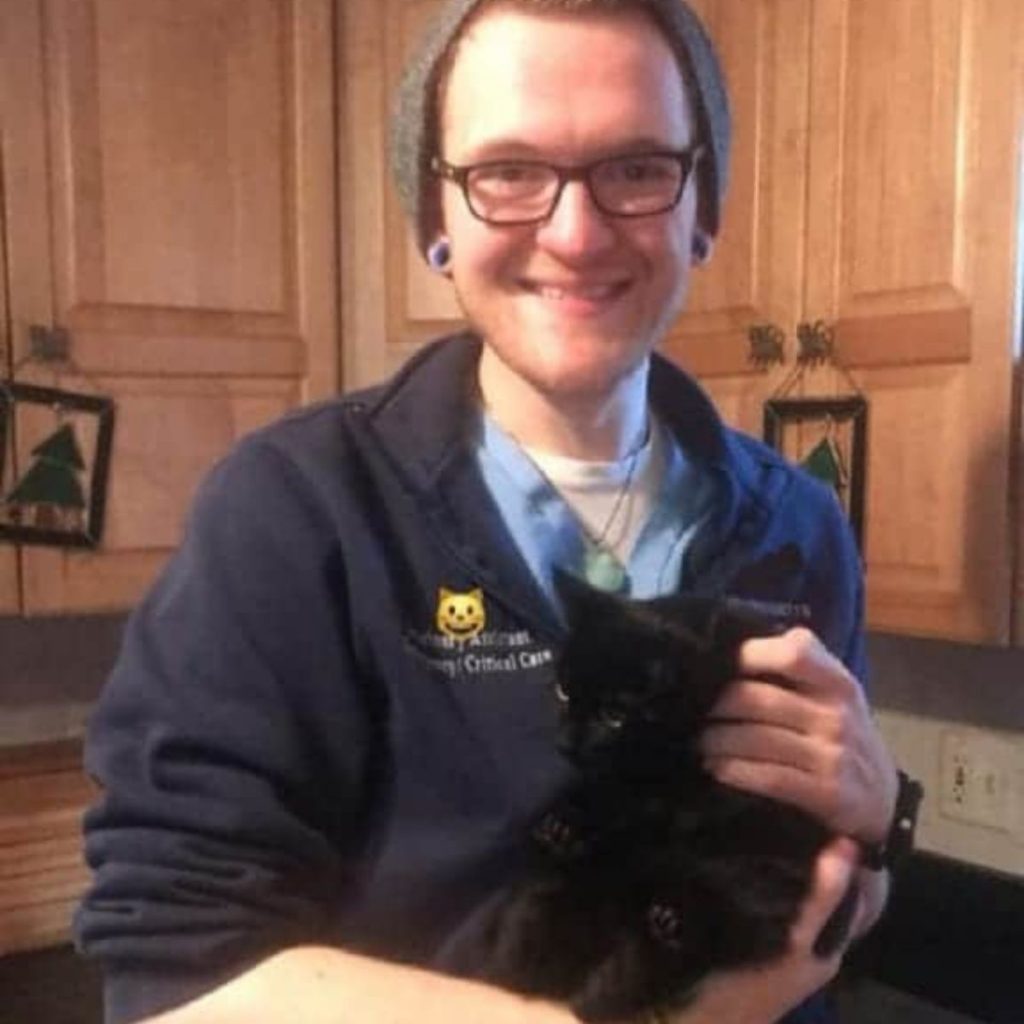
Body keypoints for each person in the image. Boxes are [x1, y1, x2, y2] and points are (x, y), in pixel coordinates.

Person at [75, 1, 906, 1022]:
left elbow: (839, 897)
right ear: (435, 219)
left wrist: (875, 831)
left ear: (702, 211)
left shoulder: (798, 525)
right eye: (508, 171)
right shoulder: (292, 515)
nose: (575, 230)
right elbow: (178, 981)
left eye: (636, 166)